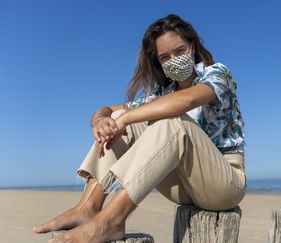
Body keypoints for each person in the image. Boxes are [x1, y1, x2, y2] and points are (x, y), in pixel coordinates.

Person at [33, 14, 246, 243]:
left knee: (169, 121)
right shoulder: (161, 94)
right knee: (117, 118)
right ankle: (89, 207)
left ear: (192, 47)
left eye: (180, 51)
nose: (174, 60)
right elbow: (106, 109)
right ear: (159, 63)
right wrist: (101, 121)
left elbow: (187, 101)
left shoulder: (216, 73)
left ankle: (112, 220)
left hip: (224, 183)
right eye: (165, 57)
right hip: (185, 186)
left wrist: (127, 118)